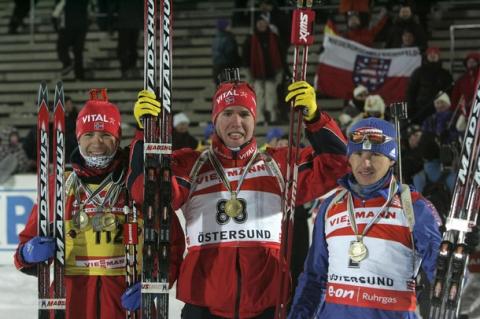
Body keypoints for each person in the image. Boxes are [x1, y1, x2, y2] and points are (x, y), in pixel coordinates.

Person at [127, 79, 348, 318]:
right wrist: (145, 135)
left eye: (244, 113)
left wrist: (315, 119)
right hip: (203, 306)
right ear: (214, 120)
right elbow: (146, 193)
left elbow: (340, 165)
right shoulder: (191, 165)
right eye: (227, 113)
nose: (236, 122)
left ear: (254, 119)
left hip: (266, 303)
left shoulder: (278, 165)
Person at [13, 89, 185, 319]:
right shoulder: (60, 186)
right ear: (78, 137)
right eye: (89, 134)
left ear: (117, 137)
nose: (97, 142)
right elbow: (23, 251)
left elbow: (171, 242)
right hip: (72, 302)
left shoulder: (137, 182)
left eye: (105, 134)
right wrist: (28, 253)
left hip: (125, 301)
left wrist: (155, 283)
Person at [289, 117, 442, 319]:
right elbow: (314, 278)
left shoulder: (414, 206)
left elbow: (443, 277)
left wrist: (453, 258)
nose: (365, 163)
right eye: (358, 153)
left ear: (392, 159)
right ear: (349, 158)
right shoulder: (330, 206)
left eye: (376, 154)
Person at [212, 18, 241, 85]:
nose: (230, 27)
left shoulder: (216, 38)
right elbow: (230, 53)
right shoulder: (228, 37)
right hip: (227, 67)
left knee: (220, 90)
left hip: (217, 67)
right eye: (228, 25)